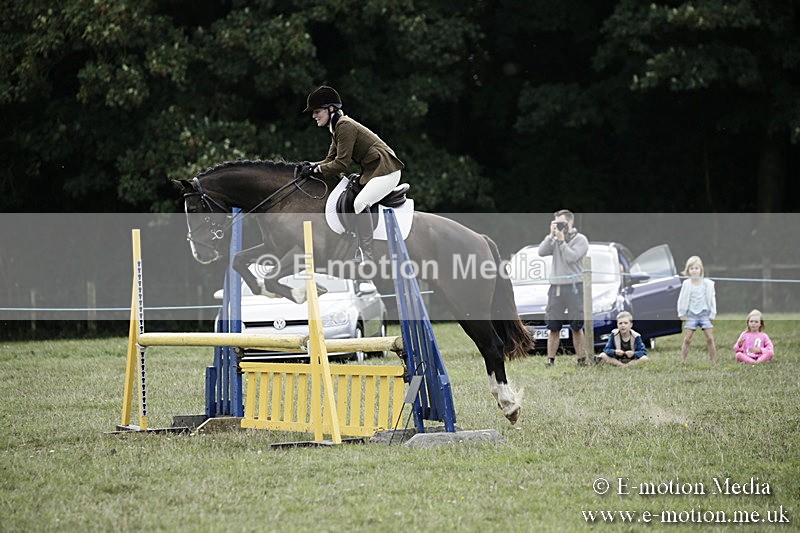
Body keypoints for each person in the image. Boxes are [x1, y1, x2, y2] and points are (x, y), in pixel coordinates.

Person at [302, 85, 405, 263]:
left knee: (360, 203)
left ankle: (368, 256)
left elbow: (341, 164)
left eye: (317, 111)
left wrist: (316, 169)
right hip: (374, 172)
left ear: (331, 108)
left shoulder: (344, 126)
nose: (314, 116)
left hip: (387, 171)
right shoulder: (336, 127)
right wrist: (310, 166)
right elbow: (330, 160)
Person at [538, 209, 589, 366]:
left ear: (570, 222)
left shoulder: (580, 240)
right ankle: (550, 360)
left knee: (576, 325)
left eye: (561, 223)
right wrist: (550, 236)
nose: (559, 226)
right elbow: (541, 252)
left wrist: (561, 241)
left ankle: (581, 359)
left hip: (574, 287)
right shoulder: (554, 239)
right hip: (556, 287)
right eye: (556, 223)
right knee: (553, 326)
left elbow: (571, 257)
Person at [677, 255, 717, 363]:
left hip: (704, 313)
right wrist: (681, 313)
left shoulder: (707, 284)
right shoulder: (686, 284)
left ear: (701, 270)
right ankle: (682, 360)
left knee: (709, 338)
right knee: (687, 339)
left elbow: (712, 299)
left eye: (696, 268)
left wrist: (712, 314)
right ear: (688, 270)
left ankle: (714, 360)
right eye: (691, 268)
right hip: (691, 314)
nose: (694, 271)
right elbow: (682, 299)